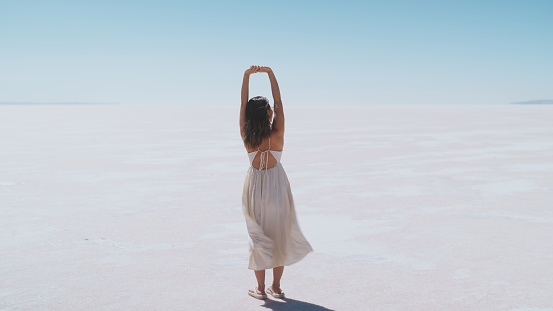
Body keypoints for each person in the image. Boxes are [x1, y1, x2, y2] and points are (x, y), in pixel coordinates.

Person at [240, 65, 313, 300]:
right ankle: (277, 287)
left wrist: (247, 76)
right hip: (277, 185)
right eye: (270, 108)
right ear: (268, 112)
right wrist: (270, 74)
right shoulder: (278, 131)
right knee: (279, 235)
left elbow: (243, 105)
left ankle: (260, 290)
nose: (273, 109)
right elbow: (279, 101)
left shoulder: (246, 134)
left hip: (255, 187)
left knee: (259, 237)